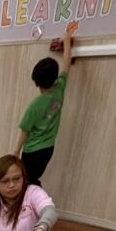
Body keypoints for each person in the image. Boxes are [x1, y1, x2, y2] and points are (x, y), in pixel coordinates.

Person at [14, 26, 75, 185]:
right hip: (48, 149)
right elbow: (67, 63)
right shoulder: (60, 89)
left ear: (37, 82)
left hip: (31, 150)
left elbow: (25, 131)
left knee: (27, 181)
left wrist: (16, 151)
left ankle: (35, 200)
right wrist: (67, 41)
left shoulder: (34, 106)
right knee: (34, 179)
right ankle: (36, 198)